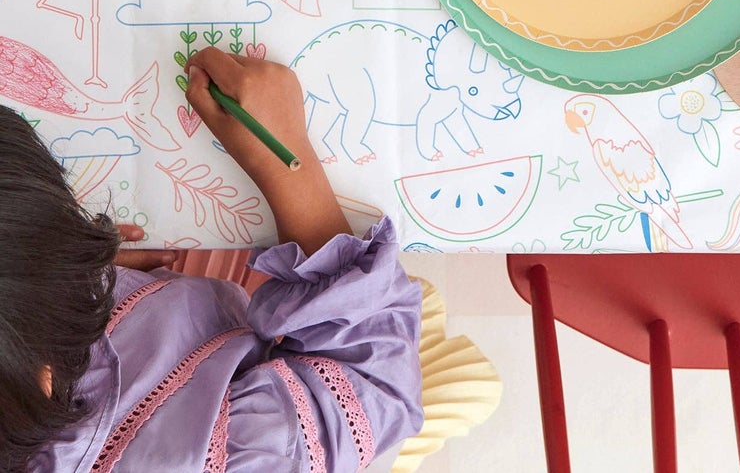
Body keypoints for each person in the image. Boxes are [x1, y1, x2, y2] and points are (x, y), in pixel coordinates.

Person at [0, 51, 423, 472]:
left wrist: (69, 266)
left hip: (174, 295)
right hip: (309, 339)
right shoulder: (224, 459)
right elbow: (380, 388)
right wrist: (287, 168)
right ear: (41, 376)